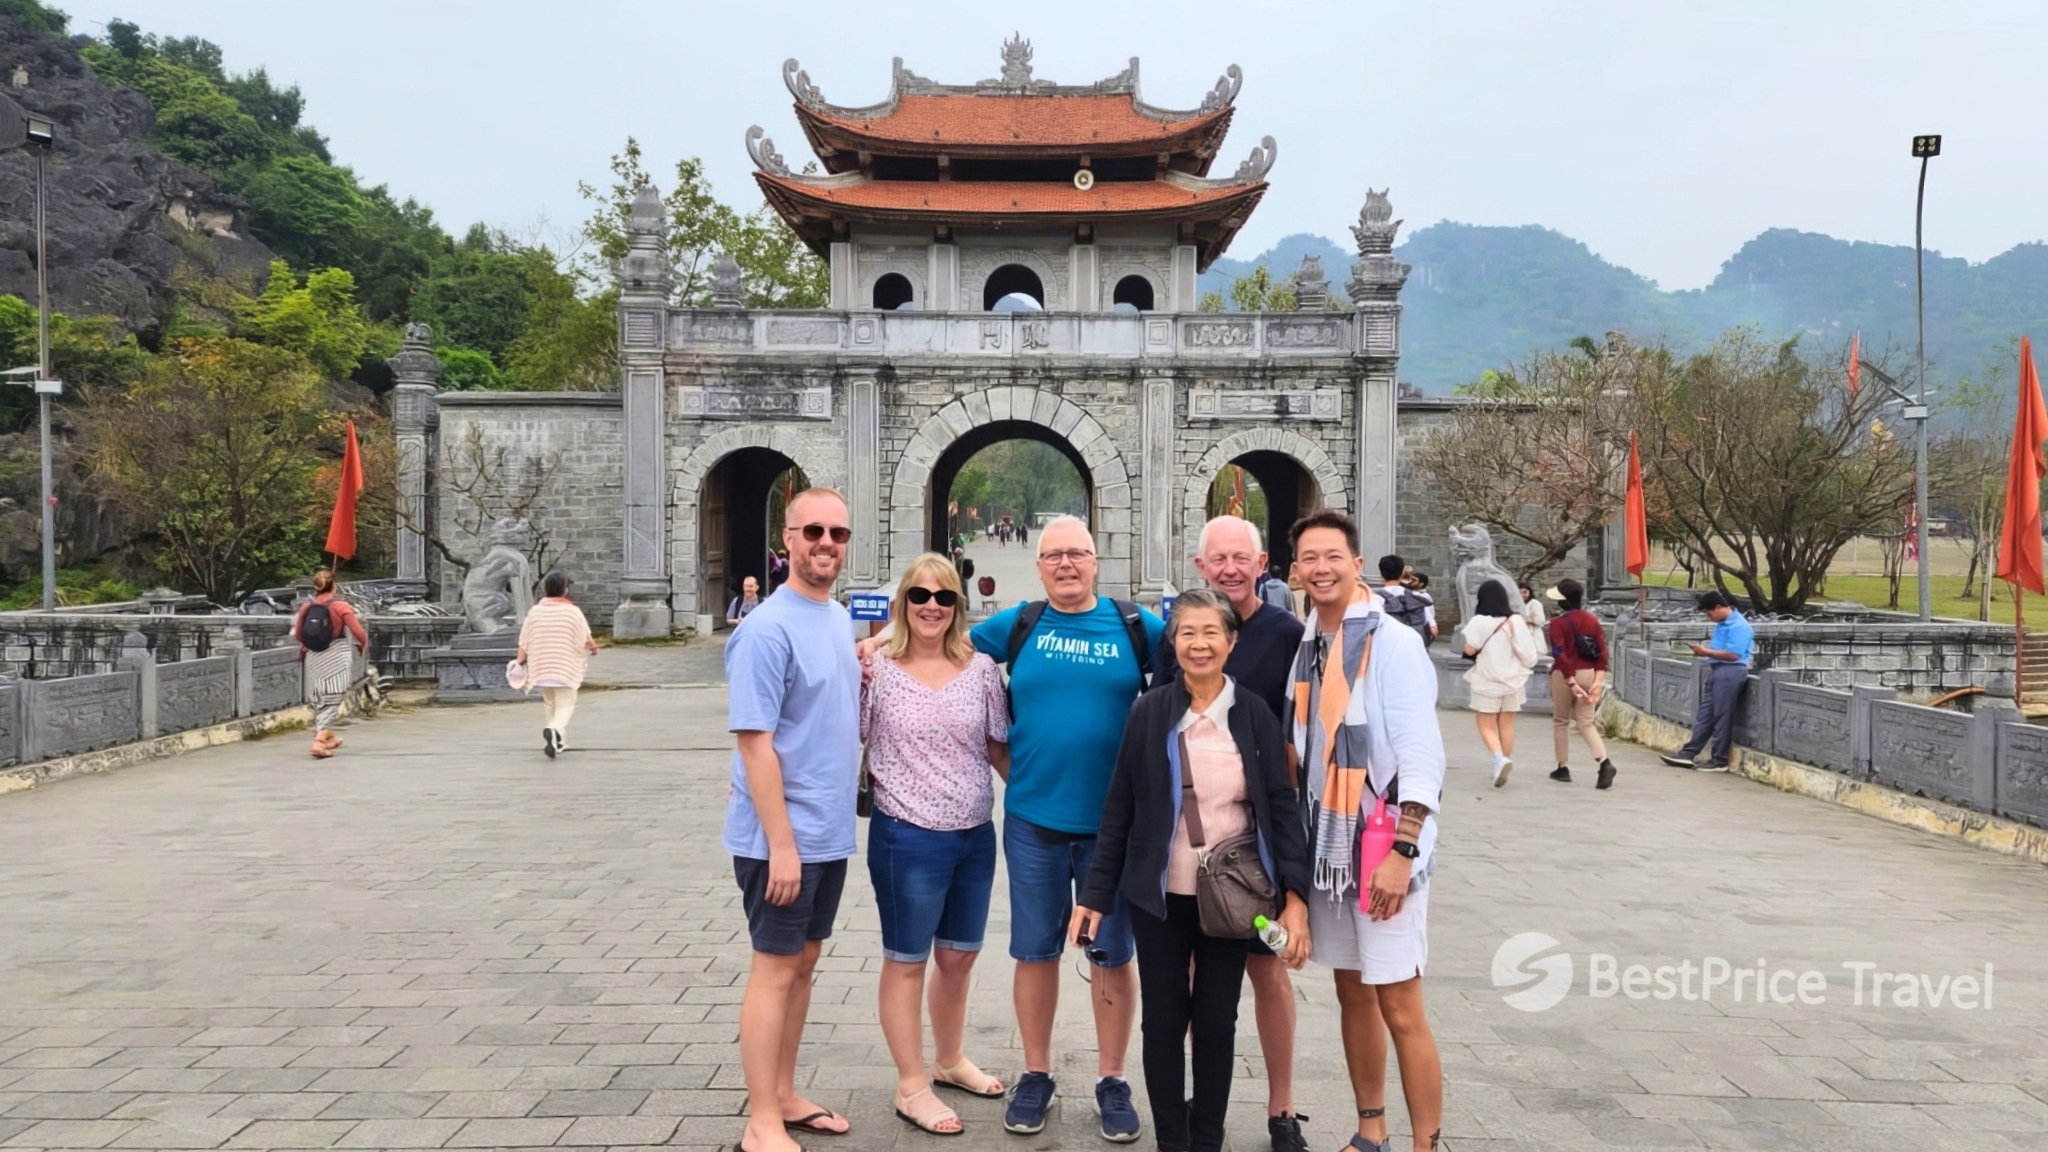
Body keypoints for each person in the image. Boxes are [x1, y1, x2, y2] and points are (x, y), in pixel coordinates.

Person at [1074, 588, 1313, 1152]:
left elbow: (1281, 806)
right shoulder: (1150, 711)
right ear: (1172, 643)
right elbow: (1120, 809)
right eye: (1188, 633)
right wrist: (1095, 895)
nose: (1199, 644)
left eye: (1212, 633)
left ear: (1231, 641)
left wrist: (1295, 896)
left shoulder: (1253, 714)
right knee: (1162, 1021)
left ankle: (1206, 1136)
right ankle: (1171, 1141)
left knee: (1215, 1021)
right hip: (1158, 896)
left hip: (1234, 898)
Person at [969, 515, 1164, 1140]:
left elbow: (1204, 654)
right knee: (1034, 950)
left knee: (1110, 954)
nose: (1066, 565)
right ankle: (1036, 1072)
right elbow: (940, 645)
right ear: (1040, 565)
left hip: (1114, 831)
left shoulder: (1137, 627)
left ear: (1095, 560)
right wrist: (873, 646)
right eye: (1054, 556)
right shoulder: (1019, 625)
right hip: (1033, 822)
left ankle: (1112, 1079)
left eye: (1077, 554)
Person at [1287, 511, 1445, 1152]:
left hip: (1381, 848)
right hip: (1331, 847)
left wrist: (1403, 853)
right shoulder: (1311, 640)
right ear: (1296, 570)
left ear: (1356, 563)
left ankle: (1427, 1143)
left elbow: (1421, 755)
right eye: (1309, 558)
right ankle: (1370, 1130)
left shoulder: (1393, 643)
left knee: (1399, 1003)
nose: (1321, 568)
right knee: (1351, 990)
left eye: (1333, 556)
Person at [1154, 516, 1311, 1152]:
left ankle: (1281, 1106)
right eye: (1217, 559)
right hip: (1193, 846)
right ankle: (1201, 1099)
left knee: (1267, 970)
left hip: (1256, 851)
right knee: (1198, 981)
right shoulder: (1178, 631)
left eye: (1240, 558)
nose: (1229, 569)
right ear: (1200, 566)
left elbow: (1304, 727)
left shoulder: (1287, 635)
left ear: (1262, 561)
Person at [725, 488, 861, 1152]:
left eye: (837, 533)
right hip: (781, 838)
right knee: (774, 967)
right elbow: (755, 742)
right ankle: (761, 1119)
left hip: (827, 832)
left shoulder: (834, 618)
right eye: (813, 531)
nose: (825, 543)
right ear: (787, 539)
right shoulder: (766, 627)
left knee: (802, 963)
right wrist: (781, 843)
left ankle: (783, 1091)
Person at [861, 553, 1011, 1135]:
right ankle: (911, 1083)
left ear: (958, 606)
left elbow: (999, 750)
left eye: (944, 597)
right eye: (919, 595)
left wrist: (1044, 803)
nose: (931, 606)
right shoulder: (877, 671)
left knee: (959, 956)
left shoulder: (980, 668)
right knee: (907, 961)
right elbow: (833, 732)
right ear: (903, 601)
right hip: (907, 834)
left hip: (974, 833)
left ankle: (949, 1060)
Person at [1660, 590, 1754, 773]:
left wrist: (1706, 652)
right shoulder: (1722, 623)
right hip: (1718, 670)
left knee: (1721, 715)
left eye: (1709, 612)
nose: (1708, 616)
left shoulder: (1741, 626)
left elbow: (1734, 654)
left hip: (1732, 671)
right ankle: (1689, 752)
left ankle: (1720, 759)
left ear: (1719, 607)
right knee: (1705, 715)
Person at [1461, 580, 1540, 788]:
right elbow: (1528, 654)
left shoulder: (1478, 621)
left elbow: (1469, 649)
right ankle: (1503, 761)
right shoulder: (1515, 620)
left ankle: (1499, 759)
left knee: (1486, 725)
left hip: (1487, 679)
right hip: (1513, 680)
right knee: (1507, 724)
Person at [517, 569, 598, 758]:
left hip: (542, 668)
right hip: (565, 668)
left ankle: (558, 740)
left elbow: (524, 640)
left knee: (550, 703)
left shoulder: (534, 612)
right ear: (564, 590)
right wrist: (593, 648)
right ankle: (554, 728)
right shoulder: (573, 612)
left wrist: (519, 661)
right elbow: (585, 636)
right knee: (566, 704)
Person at [1545, 579, 1617, 788]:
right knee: (1586, 722)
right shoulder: (1591, 620)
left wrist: (1570, 681)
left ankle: (1562, 767)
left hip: (1565, 674)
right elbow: (1602, 650)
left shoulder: (1557, 623)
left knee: (1561, 720)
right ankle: (1604, 762)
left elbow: (1559, 652)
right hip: (1589, 673)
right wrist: (1598, 678)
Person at [293, 569, 367, 760]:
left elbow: (299, 633)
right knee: (334, 695)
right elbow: (358, 632)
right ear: (334, 585)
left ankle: (329, 737)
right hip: (336, 655)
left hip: (314, 656)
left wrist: (307, 647)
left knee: (319, 696)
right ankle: (319, 740)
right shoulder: (340, 606)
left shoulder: (306, 607)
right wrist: (363, 645)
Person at [1375, 555, 1433, 646]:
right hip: (1412, 644)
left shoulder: (1375, 599)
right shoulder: (1417, 596)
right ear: (1402, 573)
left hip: (1388, 645)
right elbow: (1429, 622)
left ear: (1381, 574)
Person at [1405, 572, 1438, 643]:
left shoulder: (1425, 597)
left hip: (1421, 629)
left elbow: (1429, 614)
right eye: (1410, 579)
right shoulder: (1407, 593)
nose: (1410, 581)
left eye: (1414, 580)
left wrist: (1432, 625)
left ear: (1421, 584)